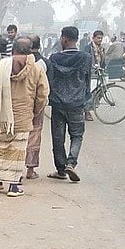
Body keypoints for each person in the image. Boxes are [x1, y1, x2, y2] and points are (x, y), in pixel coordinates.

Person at [0, 38, 49, 198]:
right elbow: (43, 95)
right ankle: (14, 185)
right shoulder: (37, 69)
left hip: (1, 118)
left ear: (13, 51)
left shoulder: (1, 67)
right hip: (23, 117)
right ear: (30, 51)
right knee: (17, 151)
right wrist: (34, 111)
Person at [46, 25, 92, 182]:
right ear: (76, 39)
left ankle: (60, 169)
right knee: (77, 135)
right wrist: (86, 101)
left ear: (64, 39)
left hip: (58, 103)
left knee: (58, 138)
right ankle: (71, 163)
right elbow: (87, 80)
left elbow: (50, 80)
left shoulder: (54, 59)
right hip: (77, 103)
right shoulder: (86, 58)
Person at [24, 34, 48, 180]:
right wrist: (38, 107)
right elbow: (44, 90)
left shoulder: (14, 62)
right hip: (35, 105)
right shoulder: (43, 63)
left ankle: (14, 170)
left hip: (18, 105)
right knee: (34, 135)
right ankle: (30, 169)